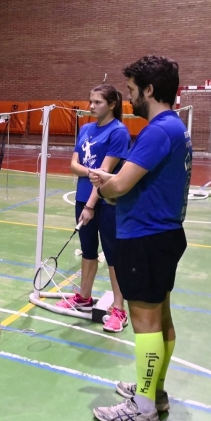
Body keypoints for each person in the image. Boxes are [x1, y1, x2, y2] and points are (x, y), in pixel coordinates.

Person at [89, 55, 191, 421]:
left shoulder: (157, 131)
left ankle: (143, 409)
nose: (129, 97)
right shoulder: (176, 127)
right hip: (164, 235)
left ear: (149, 90)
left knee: (146, 324)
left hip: (146, 238)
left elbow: (119, 184)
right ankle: (154, 392)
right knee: (161, 319)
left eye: (132, 90)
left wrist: (104, 183)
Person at [61, 84, 130, 332]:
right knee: (88, 251)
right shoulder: (85, 129)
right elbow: (74, 165)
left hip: (107, 202)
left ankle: (119, 310)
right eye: (90, 101)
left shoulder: (119, 132)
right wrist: (93, 173)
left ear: (112, 104)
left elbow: (105, 173)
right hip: (82, 198)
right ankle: (84, 297)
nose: (91, 106)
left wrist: (91, 205)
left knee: (113, 256)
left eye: (97, 102)